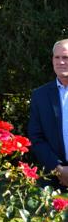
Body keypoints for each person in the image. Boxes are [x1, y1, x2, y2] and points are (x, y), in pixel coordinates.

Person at [28, 39, 68, 190]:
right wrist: (58, 169)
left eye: (66, 57)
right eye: (57, 57)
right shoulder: (40, 95)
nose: (61, 62)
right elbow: (36, 136)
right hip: (53, 178)